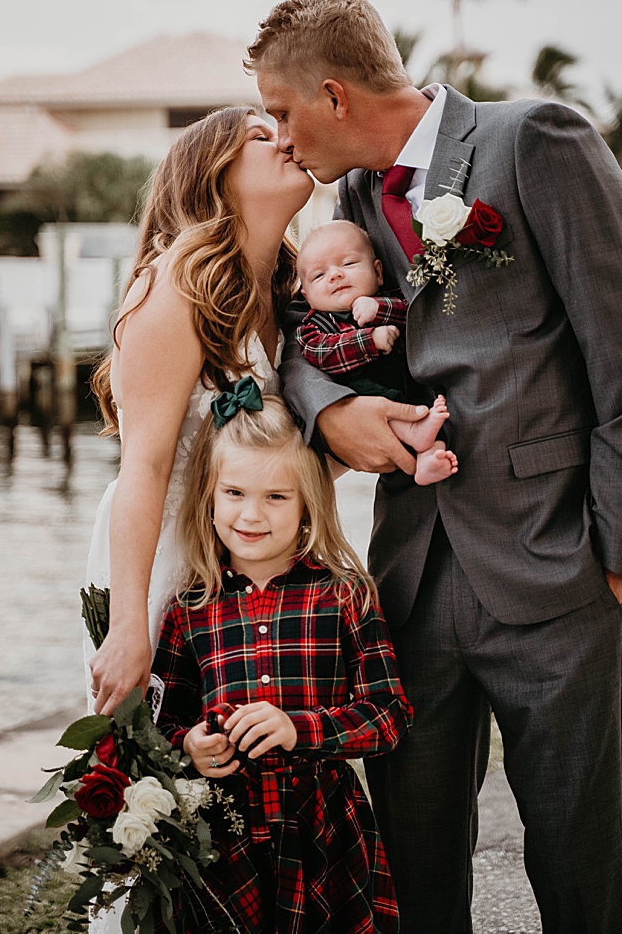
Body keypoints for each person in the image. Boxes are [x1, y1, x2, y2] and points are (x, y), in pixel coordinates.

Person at [252, 0, 622, 931]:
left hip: (555, 565)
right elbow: (302, 338)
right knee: (411, 870)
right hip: (412, 578)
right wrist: (335, 411)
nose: (280, 138)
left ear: (333, 96)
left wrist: (618, 556)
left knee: (576, 864)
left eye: (282, 113)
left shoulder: (536, 142)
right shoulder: (353, 199)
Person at [82, 106, 315, 934]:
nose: (284, 137)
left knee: (252, 787)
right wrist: (129, 629)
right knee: (171, 802)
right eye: (259, 133)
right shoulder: (175, 287)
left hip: (255, 561)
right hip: (167, 559)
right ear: (212, 175)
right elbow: (143, 467)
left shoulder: (288, 290)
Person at [154, 392, 410, 933]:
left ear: (306, 505)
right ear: (209, 498)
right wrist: (190, 746)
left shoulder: (344, 595)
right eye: (234, 493)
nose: (251, 514)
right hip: (225, 833)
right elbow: (164, 721)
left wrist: (298, 730)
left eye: (276, 496)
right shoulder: (189, 609)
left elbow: (388, 715)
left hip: (323, 827)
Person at [293, 220, 455, 485]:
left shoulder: (393, 298)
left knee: (429, 407)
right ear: (307, 296)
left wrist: (379, 309)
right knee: (378, 402)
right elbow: (323, 353)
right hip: (367, 394)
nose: (335, 275)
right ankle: (415, 436)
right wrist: (370, 340)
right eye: (319, 276)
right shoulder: (313, 328)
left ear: (378, 272)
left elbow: (416, 315)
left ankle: (429, 456)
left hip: (413, 384)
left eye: (348, 264)